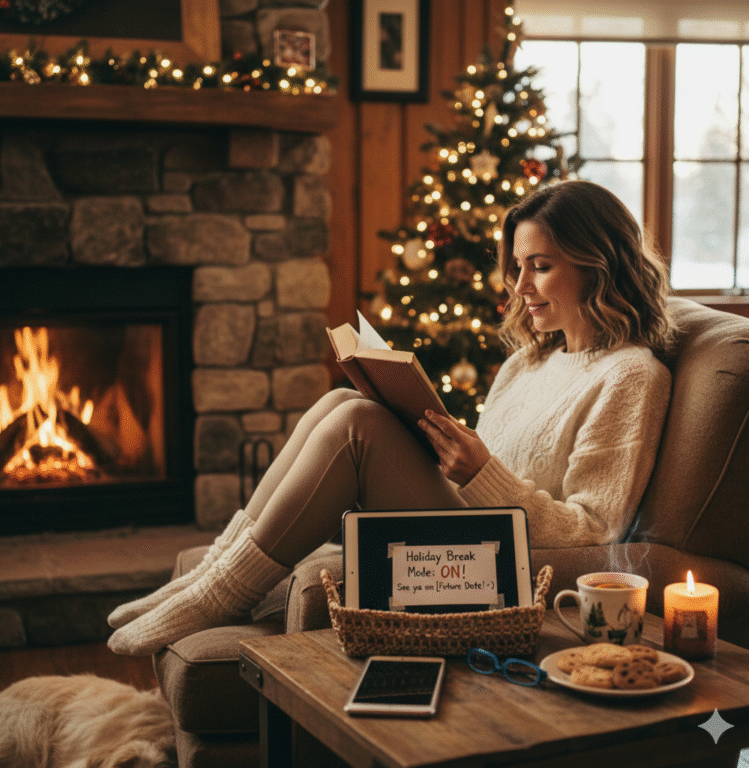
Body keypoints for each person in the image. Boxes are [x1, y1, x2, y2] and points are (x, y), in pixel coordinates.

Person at [107, 180, 674, 656]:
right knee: (342, 403)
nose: (520, 287)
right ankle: (212, 574)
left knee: (357, 425)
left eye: (541, 267)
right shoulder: (528, 362)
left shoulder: (631, 375)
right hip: (476, 522)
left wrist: (481, 474)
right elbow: (488, 468)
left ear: (598, 265)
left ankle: (221, 595)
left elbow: (596, 531)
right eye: (518, 267)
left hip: (506, 558)